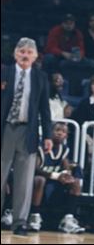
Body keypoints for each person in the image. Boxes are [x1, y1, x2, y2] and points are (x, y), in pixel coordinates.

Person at [1, 38, 52, 236]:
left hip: (28, 132)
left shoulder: (40, 77)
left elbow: (44, 110)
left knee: (24, 180)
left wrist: (47, 135)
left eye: (29, 52)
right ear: (15, 53)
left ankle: (19, 223)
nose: (25, 55)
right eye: (21, 51)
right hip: (5, 129)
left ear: (36, 56)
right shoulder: (4, 72)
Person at [28, 122, 85, 234]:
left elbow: (66, 167)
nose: (60, 133)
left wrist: (67, 175)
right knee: (40, 180)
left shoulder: (64, 149)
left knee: (75, 182)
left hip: (55, 181)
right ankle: (34, 216)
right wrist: (55, 175)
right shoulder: (41, 146)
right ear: (50, 132)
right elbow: (36, 169)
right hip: (38, 180)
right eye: (57, 130)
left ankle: (68, 219)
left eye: (63, 132)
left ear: (66, 136)